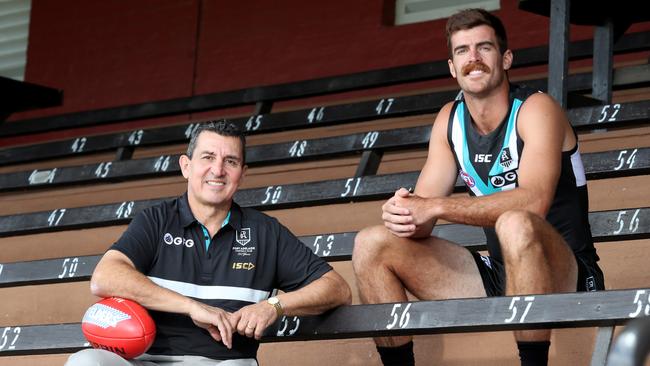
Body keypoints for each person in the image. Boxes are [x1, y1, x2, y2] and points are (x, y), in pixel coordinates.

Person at [352, 8, 604, 366]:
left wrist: (436, 206)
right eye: (462, 51)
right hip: (501, 274)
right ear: (452, 67)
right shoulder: (449, 121)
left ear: (505, 58)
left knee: (515, 222)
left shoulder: (536, 109)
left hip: (567, 272)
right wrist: (403, 211)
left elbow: (532, 204)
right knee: (370, 243)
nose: (473, 58)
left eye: (484, 48)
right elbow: (420, 218)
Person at [66, 120, 351, 366]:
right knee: (85, 361)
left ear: (242, 173)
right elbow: (105, 277)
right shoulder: (156, 220)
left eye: (231, 161)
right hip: (144, 360)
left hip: (223, 362)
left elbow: (336, 288)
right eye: (207, 157)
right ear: (186, 166)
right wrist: (192, 307)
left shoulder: (265, 231)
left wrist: (273, 306)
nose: (218, 170)